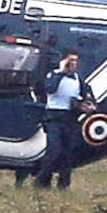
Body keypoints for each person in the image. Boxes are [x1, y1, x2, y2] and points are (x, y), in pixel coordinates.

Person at [32, 50, 84, 191]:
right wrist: (61, 71)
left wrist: (88, 104)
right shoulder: (53, 75)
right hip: (54, 117)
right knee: (54, 150)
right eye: (70, 61)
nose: (73, 65)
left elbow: (87, 94)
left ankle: (63, 184)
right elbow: (50, 89)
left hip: (70, 118)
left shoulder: (78, 79)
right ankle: (42, 180)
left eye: (75, 62)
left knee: (67, 154)